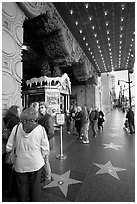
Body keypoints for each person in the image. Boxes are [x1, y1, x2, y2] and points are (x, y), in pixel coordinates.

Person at [6, 107, 50, 202]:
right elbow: (45, 148)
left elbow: (9, 147)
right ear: (35, 117)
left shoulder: (16, 128)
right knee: (35, 187)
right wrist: (40, 156)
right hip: (36, 163)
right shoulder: (40, 129)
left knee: (21, 187)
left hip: (20, 164)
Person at [2, 105, 21, 200]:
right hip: (11, 147)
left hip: (4, 148)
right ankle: (11, 191)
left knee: (4, 170)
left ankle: (4, 188)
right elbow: (17, 136)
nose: (20, 112)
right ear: (15, 111)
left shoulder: (5, 119)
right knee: (11, 172)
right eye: (19, 110)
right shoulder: (15, 120)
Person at [38, 102, 54, 184]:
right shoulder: (40, 117)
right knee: (43, 159)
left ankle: (48, 177)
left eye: (42, 107)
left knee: (45, 160)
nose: (40, 109)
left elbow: (51, 132)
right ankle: (45, 175)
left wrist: (44, 139)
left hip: (47, 142)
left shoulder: (48, 118)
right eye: (40, 107)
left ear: (46, 108)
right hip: (41, 141)